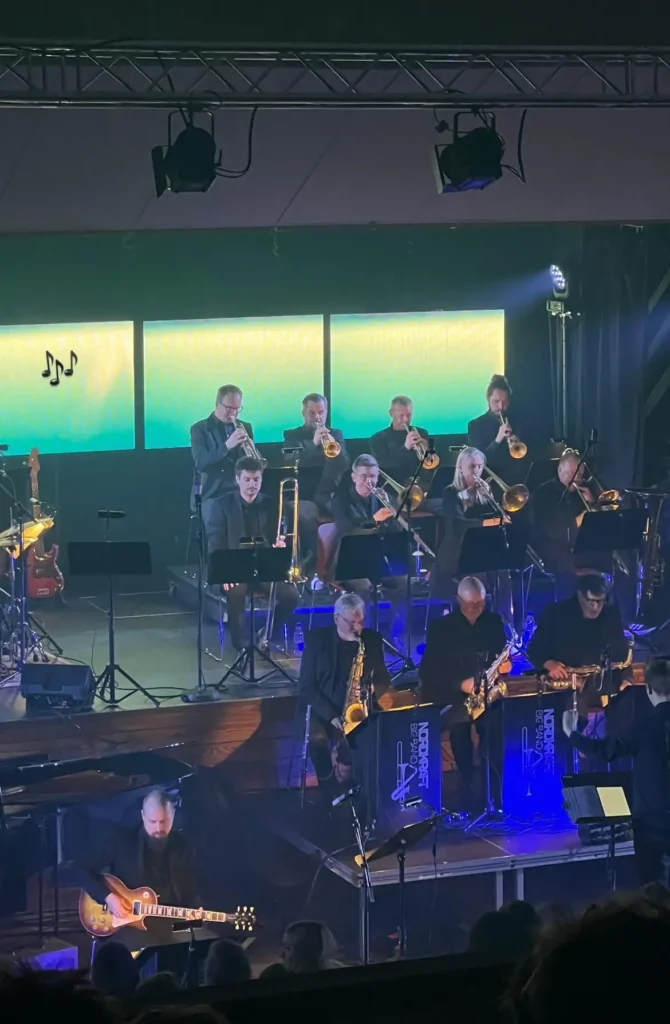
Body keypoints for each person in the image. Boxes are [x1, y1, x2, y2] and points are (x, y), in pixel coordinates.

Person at [562, 657, 670, 885]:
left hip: (651, 824)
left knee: (652, 887)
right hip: (652, 823)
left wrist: (572, 733)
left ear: (649, 690)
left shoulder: (644, 728)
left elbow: (604, 751)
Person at [420, 577, 508, 805]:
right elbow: (428, 671)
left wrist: (504, 667)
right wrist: (461, 684)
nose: (477, 607)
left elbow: (500, 654)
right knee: (459, 732)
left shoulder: (493, 622)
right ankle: (467, 786)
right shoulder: (441, 628)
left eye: (481, 603)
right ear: (458, 600)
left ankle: (494, 790)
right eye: (471, 604)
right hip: (455, 695)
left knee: (494, 730)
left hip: (486, 693)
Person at [299, 592, 389, 805]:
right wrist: (331, 716)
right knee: (316, 739)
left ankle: (369, 792)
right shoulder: (316, 640)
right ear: (336, 618)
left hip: (358, 706)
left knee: (379, 731)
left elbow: (383, 677)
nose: (357, 628)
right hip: (323, 709)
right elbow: (307, 687)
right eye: (351, 622)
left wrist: (372, 690)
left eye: (361, 622)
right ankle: (331, 792)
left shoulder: (371, 639)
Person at [80, 790, 200, 936]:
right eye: (152, 822)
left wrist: (194, 913)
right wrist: (108, 897)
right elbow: (80, 870)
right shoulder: (122, 840)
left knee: (203, 937)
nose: (158, 828)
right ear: (143, 816)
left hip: (170, 924)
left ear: (173, 815)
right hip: (129, 926)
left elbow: (190, 889)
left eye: (164, 821)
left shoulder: (183, 846)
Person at [213, 456, 299, 651]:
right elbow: (215, 542)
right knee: (237, 590)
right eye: (247, 480)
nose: (252, 484)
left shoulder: (271, 504)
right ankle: (241, 644)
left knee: (291, 595)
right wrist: (224, 571)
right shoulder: (222, 505)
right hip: (233, 565)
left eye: (256, 480)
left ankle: (267, 634)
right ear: (238, 480)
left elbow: (278, 535)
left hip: (264, 566)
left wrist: (279, 545)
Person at [331, 454, 407, 639]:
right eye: (364, 476)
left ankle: (394, 635)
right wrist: (374, 520)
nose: (369, 481)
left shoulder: (382, 496)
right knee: (364, 587)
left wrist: (393, 511)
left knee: (404, 582)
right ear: (354, 477)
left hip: (376, 558)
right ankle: (363, 636)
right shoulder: (341, 500)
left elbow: (396, 531)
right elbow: (346, 531)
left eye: (372, 476)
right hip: (349, 561)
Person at [527, 573, 630, 698]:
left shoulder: (610, 615)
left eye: (600, 601)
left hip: (603, 687)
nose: (596, 607)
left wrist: (627, 680)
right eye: (591, 601)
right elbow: (533, 649)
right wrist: (549, 663)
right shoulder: (555, 614)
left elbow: (622, 657)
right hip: (565, 689)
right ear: (580, 595)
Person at [431, 447, 508, 607]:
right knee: (481, 576)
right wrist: (487, 523)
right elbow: (458, 524)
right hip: (457, 550)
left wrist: (490, 498)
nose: (477, 471)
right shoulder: (450, 492)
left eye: (480, 466)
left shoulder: (483, 492)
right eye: (472, 466)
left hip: (481, 547)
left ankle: (504, 617)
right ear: (460, 468)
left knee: (504, 574)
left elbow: (497, 516)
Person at [283, 393, 349, 575]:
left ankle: (337, 569)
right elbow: (291, 463)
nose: (317, 417)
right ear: (303, 413)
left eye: (321, 412)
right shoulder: (292, 435)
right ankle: (312, 568)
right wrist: (313, 444)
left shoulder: (336, 434)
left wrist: (333, 446)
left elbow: (345, 464)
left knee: (346, 518)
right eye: (312, 413)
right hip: (303, 495)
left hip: (329, 494)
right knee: (309, 516)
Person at [190, 385, 259, 551]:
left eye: (237, 409)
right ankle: (219, 566)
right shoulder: (200, 429)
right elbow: (201, 462)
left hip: (239, 489)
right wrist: (227, 446)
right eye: (229, 408)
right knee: (219, 529)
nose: (233, 414)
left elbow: (251, 463)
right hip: (212, 492)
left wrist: (249, 449)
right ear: (217, 404)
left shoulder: (245, 427)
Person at [531, 449, 603, 599]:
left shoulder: (583, 492)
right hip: (553, 552)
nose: (575, 478)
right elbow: (551, 530)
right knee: (568, 571)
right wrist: (581, 518)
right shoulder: (543, 493)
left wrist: (593, 504)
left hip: (580, 550)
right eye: (571, 473)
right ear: (559, 469)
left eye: (579, 475)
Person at [467, 373, 526, 479]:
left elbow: (526, 460)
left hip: (515, 479)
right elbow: (478, 462)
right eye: (496, 401)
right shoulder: (475, 426)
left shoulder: (518, 423)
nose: (501, 407)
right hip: (488, 482)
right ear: (488, 399)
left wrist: (518, 443)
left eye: (505, 402)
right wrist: (497, 440)